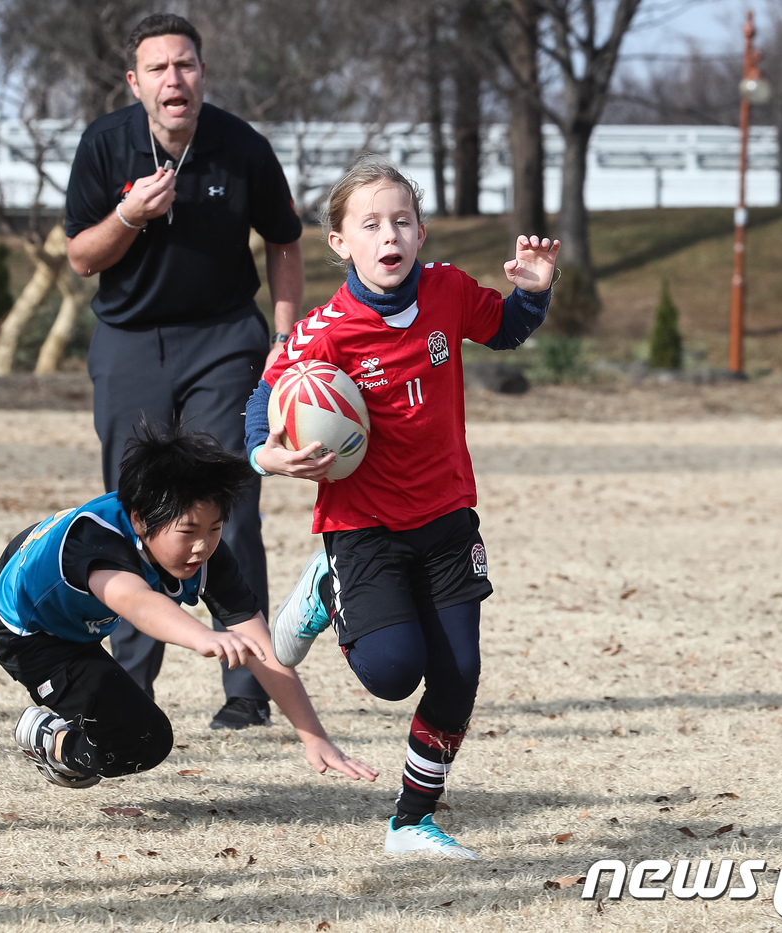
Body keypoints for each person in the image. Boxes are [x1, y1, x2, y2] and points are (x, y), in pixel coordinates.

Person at [247, 155, 559, 859]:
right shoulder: (325, 330)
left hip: (448, 519)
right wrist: (265, 454)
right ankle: (329, 584)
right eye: (371, 224)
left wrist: (535, 293)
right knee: (392, 672)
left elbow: (504, 327)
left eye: (402, 221)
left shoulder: (447, 289)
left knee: (459, 673)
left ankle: (411, 821)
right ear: (341, 242)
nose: (389, 235)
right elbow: (262, 398)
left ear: (419, 231)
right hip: (363, 530)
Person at [0, 422, 377, 788]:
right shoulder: (102, 545)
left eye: (215, 529)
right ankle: (49, 736)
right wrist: (202, 636)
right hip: (34, 635)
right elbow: (133, 601)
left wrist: (313, 736)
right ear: (140, 519)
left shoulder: (207, 554)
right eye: (188, 532)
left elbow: (263, 649)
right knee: (144, 740)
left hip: (38, 577)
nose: (202, 546)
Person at [65, 13, 305, 729]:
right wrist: (131, 215)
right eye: (160, 69)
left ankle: (248, 689)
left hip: (224, 339)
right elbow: (82, 255)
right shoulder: (105, 145)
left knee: (230, 502)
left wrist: (285, 338)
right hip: (129, 340)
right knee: (132, 506)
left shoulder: (241, 147)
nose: (176, 79)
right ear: (135, 82)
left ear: (203, 73)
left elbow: (286, 242)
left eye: (187, 65)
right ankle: (132, 680)